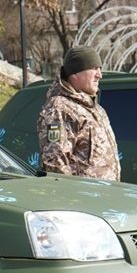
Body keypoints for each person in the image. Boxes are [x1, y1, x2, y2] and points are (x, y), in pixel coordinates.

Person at [36, 46, 121, 180]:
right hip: (83, 192)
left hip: (105, 192)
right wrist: (74, 193)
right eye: (94, 68)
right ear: (75, 74)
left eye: (100, 69)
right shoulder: (59, 109)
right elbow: (56, 164)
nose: (99, 75)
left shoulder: (96, 109)